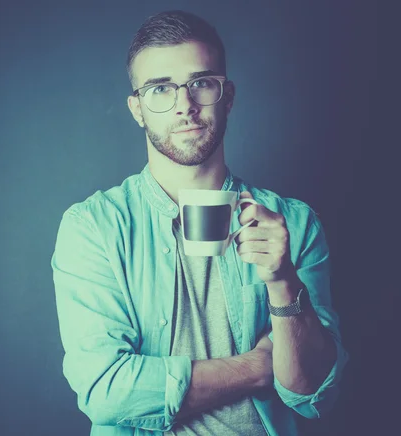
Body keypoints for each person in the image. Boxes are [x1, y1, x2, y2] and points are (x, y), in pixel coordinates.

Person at [50, 10, 348, 436]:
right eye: (160, 89)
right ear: (137, 109)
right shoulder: (94, 227)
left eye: (201, 83)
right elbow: (105, 391)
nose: (185, 106)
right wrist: (259, 366)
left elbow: (313, 393)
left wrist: (283, 282)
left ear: (227, 96)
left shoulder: (294, 224)